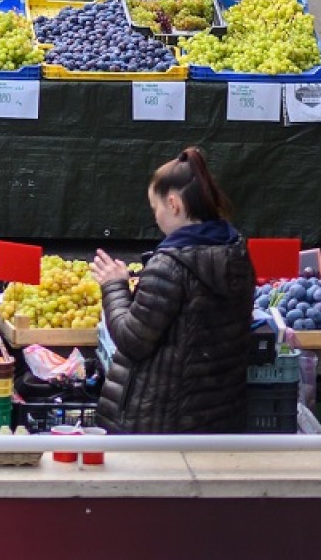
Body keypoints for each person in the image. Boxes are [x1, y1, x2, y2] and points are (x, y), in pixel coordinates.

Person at [91, 149, 254, 434]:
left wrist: (114, 286)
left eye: (155, 208)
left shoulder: (169, 266)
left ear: (173, 204)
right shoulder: (236, 254)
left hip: (158, 420)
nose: (156, 217)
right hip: (215, 417)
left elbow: (132, 340)